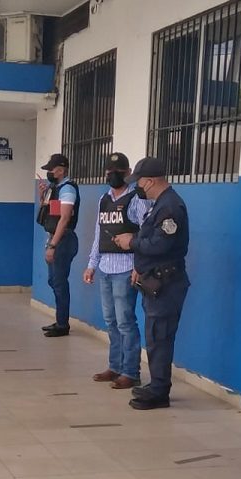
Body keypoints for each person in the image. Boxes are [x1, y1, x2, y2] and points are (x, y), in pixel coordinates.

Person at [113, 157, 190, 410]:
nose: (138, 187)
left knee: (160, 337)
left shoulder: (170, 207)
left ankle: (159, 392)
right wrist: (139, 266)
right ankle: (156, 384)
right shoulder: (160, 204)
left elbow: (159, 244)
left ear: (149, 181)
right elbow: (152, 240)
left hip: (167, 284)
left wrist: (130, 242)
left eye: (139, 182)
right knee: (156, 336)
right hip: (155, 280)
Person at [84, 153, 153, 389]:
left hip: (126, 269)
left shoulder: (137, 199)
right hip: (105, 268)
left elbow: (146, 233)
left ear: (127, 173)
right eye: (108, 171)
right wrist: (92, 264)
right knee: (111, 321)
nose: (111, 175)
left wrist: (139, 266)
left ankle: (131, 372)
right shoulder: (104, 199)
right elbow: (98, 234)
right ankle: (114, 366)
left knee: (125, 322)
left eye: (117, 172)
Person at [38, 154, 80, 338]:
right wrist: (43, 194)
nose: (48, 172)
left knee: (59, 282)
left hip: (62, 240)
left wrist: (53, 245)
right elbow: (50, 213)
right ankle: (60, 319)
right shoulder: (56, 188)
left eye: (51, 169)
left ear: (61, 170)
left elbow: (64, 218)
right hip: (55, 238)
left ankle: (63, 324)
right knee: (53, 281)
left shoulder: (68, 190)